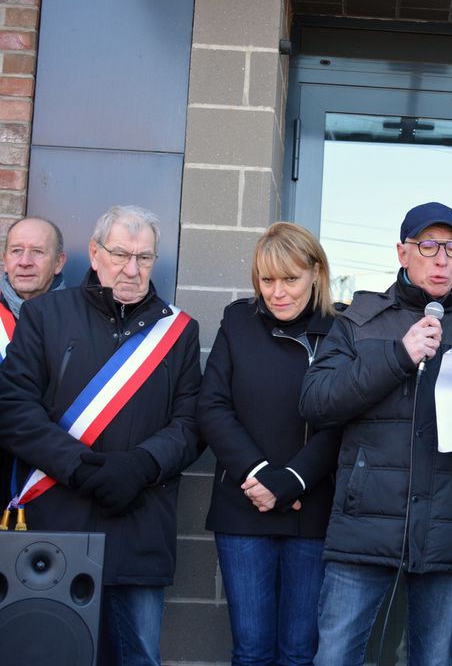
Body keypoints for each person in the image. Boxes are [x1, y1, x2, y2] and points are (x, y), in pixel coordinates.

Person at [299, 201, 452, 666]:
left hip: (448, 526)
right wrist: (397, 356)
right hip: (365, 522)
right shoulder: (360, 321)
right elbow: (316, 402)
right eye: (428, 245)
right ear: (402, 252)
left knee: (432, 659)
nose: (441, 258)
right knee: (334, 656)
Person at [0, 205, 202, 666]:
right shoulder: (46, 316)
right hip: (56, 523)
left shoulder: (180, 331)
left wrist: (141, 464)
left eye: (145, 258)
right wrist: (80, 466)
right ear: (94, 254)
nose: (132, 269)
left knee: (137, 658)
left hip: (140, 522)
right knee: (51, 654)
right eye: (120, 254)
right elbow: (13, 409)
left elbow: (191, 422)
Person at [199, 222, 341, 665]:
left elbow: (343, 419)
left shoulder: (341, 329)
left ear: (316, 274)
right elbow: (212, 407)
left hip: (312, 509)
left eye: (290, 279)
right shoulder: (238, 321)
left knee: (300, 652)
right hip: (244, 506)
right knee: (252, 651)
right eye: (267, 280)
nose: (277, 292)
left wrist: (292, 481)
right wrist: (260, 477)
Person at [0, 216, 67, 528]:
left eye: (38, 252)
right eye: (16, 251)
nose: (24, 262)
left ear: (58, 262)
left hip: (55, 481)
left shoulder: (80, 320)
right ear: (4, 259)